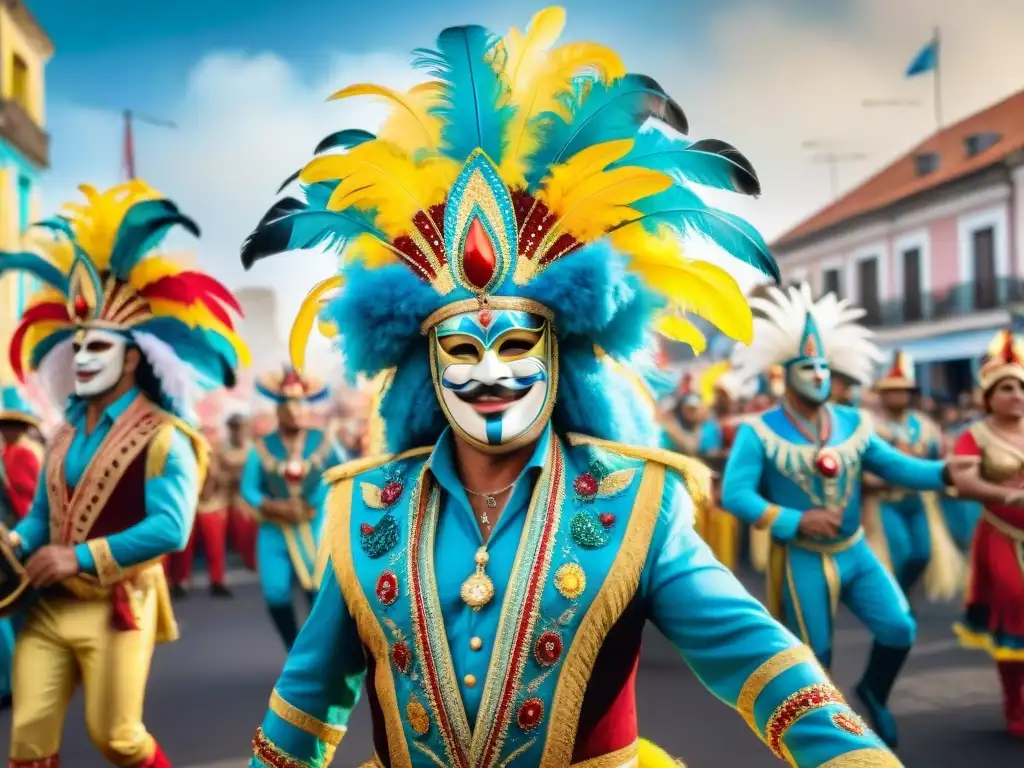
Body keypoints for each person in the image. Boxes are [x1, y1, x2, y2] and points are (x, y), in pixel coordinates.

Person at [241, 8, 906, 766]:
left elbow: (760, 662)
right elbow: (307, 700)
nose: (491, 373)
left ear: (562, 355)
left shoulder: (636, 504)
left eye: (516, 344)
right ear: (426, 365)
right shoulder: (366, 508)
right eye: (461, 349)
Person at [0, 180, 246, 767]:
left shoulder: (165, 436)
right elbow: (42, 514)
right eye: (77, 348)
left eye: (99, 348)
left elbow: (170, 528)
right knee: (27, 740)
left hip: (118, 603)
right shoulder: (62, 433)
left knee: (117, 737)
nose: (83, 359)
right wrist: (17, 543)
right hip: (46, 604)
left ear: (133, 357)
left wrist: (77, 557)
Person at [722, 283, 974, 749]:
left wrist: (945, 472)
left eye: (824, 367)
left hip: (854, 550)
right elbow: (736, 495)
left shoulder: (854, 423)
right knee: (816, 655)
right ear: (785, 374)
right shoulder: (757, 431)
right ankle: (828, 742)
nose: (819, 375)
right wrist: (796, 521)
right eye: (807, 367)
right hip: (802, 555)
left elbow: (897, 467)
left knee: (899, 627)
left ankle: (874, 692)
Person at [949, 328, 1024, 737]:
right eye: (1006, 388)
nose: (1017, 395)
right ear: (989, 396)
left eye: (1021, 388)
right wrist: (1008, 496)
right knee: (1015, 607)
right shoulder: (973, 435)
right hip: (1001, 535)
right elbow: (964, 483)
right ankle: (1015, 704)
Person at [240, 367, 345, 649]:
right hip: (274, 528)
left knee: (319, 590)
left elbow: (342, 473)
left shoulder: (324, 441)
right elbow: (248, 488)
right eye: (288, 404)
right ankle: (293, 647)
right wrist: (270, 505)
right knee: (275, 593)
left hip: (315, 525)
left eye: (300, 404)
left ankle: (321, 651)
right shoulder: (262, 446)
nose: (295, 411)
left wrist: (315, 501)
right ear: (278, 409)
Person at [871, 352, 963, 603]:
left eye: (903, 391)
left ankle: (903, 595)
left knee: (922, 553)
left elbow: (938, 457)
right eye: (892, 391)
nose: (898, 396)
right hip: (886, 501)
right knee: (900, 552)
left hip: (918, 500)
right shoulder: (869, 426)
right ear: (882, 394)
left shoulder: (923, 425)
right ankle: (898, 600)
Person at [659, 374, 736, 567]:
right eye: (689, 409)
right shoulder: (668, 429)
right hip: (676, 486)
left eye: (696, 409)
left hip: (706, 486)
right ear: (681, 409)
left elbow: (707, 453)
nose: (693, 413)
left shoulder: (708, 428)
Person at [0, 384, 43, 710]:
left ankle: (18, 680)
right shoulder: (7, 454)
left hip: (19, 533)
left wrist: (19, 536)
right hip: (10, 533)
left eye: (13, 425)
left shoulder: (27, 453)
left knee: (16, 607)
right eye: (5, 426)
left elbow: (32, 499)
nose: (8, 431)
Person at [165, 428, 233, 598]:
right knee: (184, 548)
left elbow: (225, 480)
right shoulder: (182, 455)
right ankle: (181, 581)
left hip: (212, 505)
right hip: (188, 506)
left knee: (215, 547)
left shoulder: (217, 455)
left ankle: (217, 580)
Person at [222, 411, 257, 571]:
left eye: (242, 427)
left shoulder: (256, 450)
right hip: (233, 501)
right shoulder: (224, 452)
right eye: (235, 428)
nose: (239, 432)